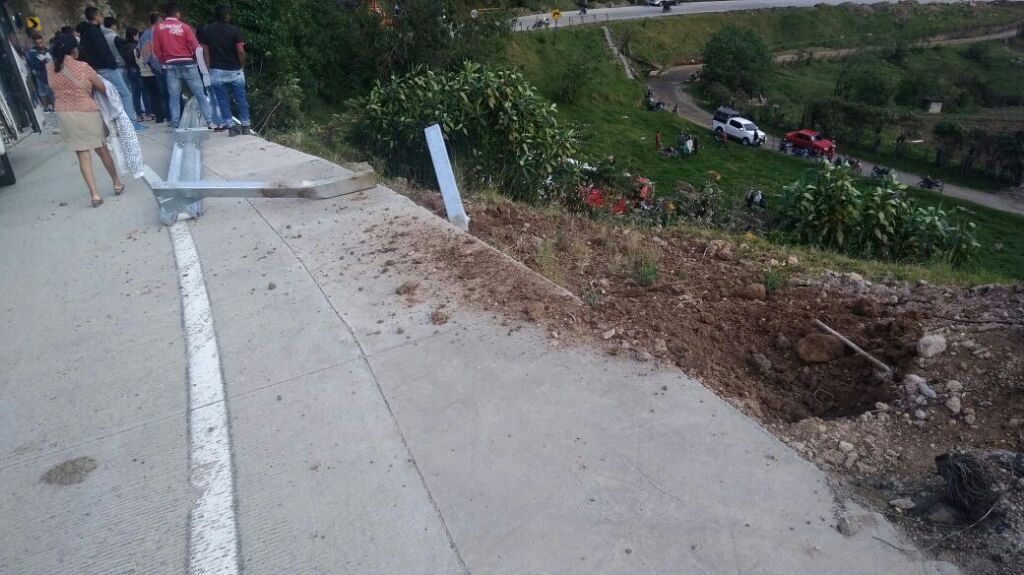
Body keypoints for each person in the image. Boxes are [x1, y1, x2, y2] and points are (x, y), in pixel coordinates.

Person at [46, 34, 125, 208]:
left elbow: (52, 86)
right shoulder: (83, 66)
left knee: (83, 155)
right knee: (102, 150)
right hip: (87, 111)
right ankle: (116, 183)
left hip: (65, 114)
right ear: (73, 49)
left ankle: (94, 195)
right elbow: (103, 88)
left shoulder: (50, 67)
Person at [79, 7, 143, 130]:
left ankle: (111, 124)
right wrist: (112, 65)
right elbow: (103, 51)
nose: (101, 17)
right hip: (107, 68)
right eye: (100, 15)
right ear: (96, 16)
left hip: (95, 70)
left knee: (104, 97)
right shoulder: (95, 32)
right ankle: (131, 123)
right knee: (125, 94)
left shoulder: (85, 33)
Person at [153, 3, 213, 128]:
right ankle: (210, 122)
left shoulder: (159, 28)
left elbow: (156, 49)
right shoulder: (185, 27)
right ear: (177, 14)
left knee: (174, 97)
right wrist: (196, 61)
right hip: (188, 64)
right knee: (200, 94)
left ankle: (175, 125)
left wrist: (164, 61)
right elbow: (196, 47)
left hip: (171, 66)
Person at [200, 4, 252, 136]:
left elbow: (205, 53)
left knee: (223, 100)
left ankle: (231, 127)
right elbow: (240, 51)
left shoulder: (206, 31)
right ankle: (245, 126)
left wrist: (209, 69)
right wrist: (242, 67)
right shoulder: (235, 30)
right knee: (241, 99)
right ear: (226, 16)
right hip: (235, 71)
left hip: (216, 71)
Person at [139, 12, 169, 123]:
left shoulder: (144, 34)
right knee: (162, 92)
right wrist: (154, 63)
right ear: (157, 22)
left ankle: (161, 117)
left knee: (156, 94)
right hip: (159, 67)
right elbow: (148, 50)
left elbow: (140, 50)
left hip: (153, 67)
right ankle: (166, 116)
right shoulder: (153, 33)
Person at [118, 27, 147, 122]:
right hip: (136, 70)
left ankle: (138, 114)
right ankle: (144, 113)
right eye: (138, 35)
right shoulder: (135, 46)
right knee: (142, 93)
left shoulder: (124, 46)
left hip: (128, 70)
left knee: (135, 93)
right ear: (134, 35)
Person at [26, 32, 55, 112]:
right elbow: (32, 65)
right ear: (35, 44)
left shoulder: (48, 50)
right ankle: (47, 108)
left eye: (41, 42)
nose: (40, 45)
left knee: (52, 93)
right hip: (41, 77)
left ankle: (54, 107)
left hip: (51, 75)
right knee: (43, 93)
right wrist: (41, 64)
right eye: (37, 43)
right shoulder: (32, 53)